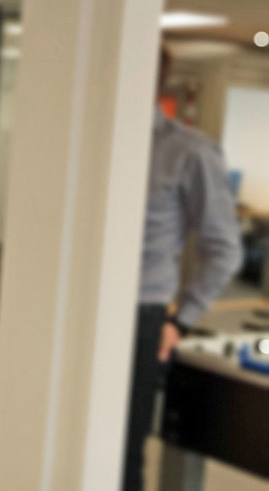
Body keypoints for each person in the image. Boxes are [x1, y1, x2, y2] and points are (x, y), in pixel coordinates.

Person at [121, 48, 243, 491]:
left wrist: (180, 321)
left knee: (118, 455)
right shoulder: (91, 141)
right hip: (79, 311)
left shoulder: (188, 151)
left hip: (140, 319)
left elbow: (224, 249)